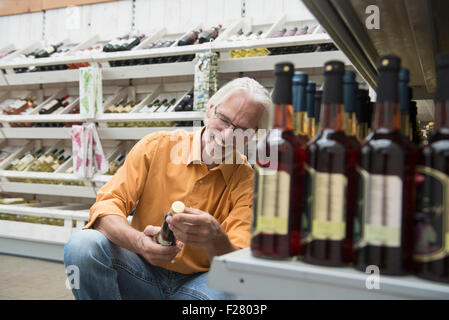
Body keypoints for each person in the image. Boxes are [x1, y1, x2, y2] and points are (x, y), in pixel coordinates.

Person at [63, 77, 273, 300]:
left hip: (200, 284)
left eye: (242, 129)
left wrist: (216, 238)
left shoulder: (248, 182)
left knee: (241, 294)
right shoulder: (157, 147)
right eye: (224, 119)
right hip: (139, 270)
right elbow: (106, 206)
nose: (227, 135)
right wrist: (140, 243)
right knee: (82, 245)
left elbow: (237, 268)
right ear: (210, 110)